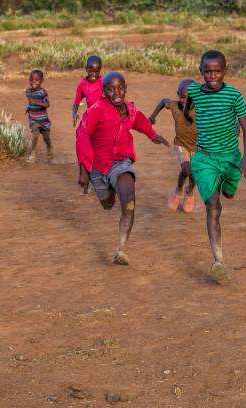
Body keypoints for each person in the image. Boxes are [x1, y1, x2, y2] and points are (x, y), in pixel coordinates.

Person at [76, 72, 170, 265]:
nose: (116, 93)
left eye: (120, 88)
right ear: (104, 92)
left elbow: (139, 120)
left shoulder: (130, 109)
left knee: (128, 201)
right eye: (111, 89)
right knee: (108, 204)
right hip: (98, 166)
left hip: (121, 162)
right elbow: (82, 135)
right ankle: (108, 190)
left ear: (125, 88)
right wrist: (83, 171)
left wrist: (152, 134)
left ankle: (120, 249)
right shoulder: (96, 110)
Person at [184, 50, 246, 284]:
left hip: (231, 157)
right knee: (213, 205)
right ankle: (218, 261)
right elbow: (188, 105)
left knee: (229, 193)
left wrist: (245, 161)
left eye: (217, 71)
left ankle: (227, 184)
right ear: (201, 70)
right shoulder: (194, 90)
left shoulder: (233, 95)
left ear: (225, 71)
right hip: (204, 159)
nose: (212, 75)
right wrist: (187, 115)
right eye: (207, 71)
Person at [148, 79, 198, 213]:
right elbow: (163, 101)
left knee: (195, 175)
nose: (185, 100)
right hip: (181, 144)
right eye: (182, 97)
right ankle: (178, 190)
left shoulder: (202, 108)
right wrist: (152, 116)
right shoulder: (174, 106)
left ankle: (189, 192)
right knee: (187, 170)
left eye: (190, 98)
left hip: (198, 148)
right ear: (177, 94)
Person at [25, 69, 52, 163]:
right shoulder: (28, 91)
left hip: (43, 120)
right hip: (33, 119)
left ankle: (49, 149)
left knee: (46, 138)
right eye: (31, 79)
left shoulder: (43, 93)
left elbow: (47, 105)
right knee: (35, 134)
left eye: (36, 80)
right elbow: (30, 101)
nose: (33, 82)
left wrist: (36, 102)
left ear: (41, 81)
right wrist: (29, 108)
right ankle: (32, 154)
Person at [72, 55, 103, 128]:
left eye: (97, 71)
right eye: (91, 71)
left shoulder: (104, 81)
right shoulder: (82, 84)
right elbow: (76, 102)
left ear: (100, 70)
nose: (94, 74)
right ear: (86, 69)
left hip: (105, 115)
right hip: (92, 116)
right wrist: (74, 114)